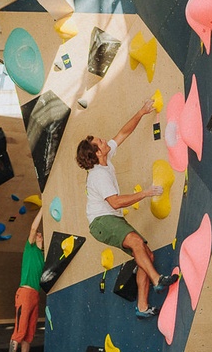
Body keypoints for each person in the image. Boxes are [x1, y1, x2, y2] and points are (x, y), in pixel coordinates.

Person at [75, 100, 179, 319]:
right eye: (100, 142)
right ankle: (158, 280)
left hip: (111, 219)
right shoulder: (98, 176)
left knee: (145, 254)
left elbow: (123, 133)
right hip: (101, 222)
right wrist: (145, 193)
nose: (105, 141)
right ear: (97, 154)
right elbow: (115, 202)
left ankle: (142, 307)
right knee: (135, 242)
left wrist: (141, 112)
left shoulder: (105, 158)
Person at [4, 208, 45, 352]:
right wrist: (43, 208)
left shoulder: (41, 257)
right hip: (25, 293)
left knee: (30, 332)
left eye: (41, 235)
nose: (39, 235)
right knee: (20, 329)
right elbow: (33, 229)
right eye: (38, 235)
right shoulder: (30, 248)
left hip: (35, 295)